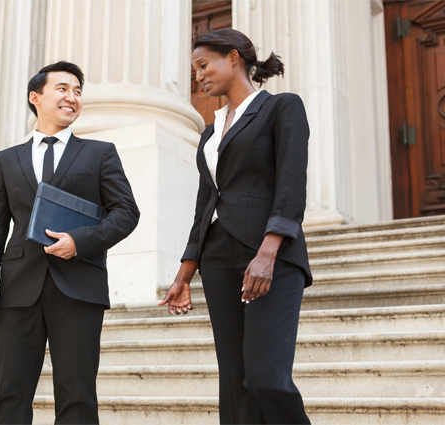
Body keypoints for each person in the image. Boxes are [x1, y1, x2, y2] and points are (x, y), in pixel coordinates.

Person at [0, 61, 139, 424]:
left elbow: (126, 213)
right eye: (63, 88)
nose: (72, 97)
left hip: (79, 286)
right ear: (36, 97)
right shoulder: (6, 160)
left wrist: (80, 241)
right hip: (19, 287)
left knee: (77, 395)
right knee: (8, 394)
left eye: (78, 91)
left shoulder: (100, 153)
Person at [159, 28, 313, 424]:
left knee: (267, 379)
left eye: (203, 64)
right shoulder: (209, 132)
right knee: (235, 383)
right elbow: (205, 201)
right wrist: (185, 271)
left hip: (268, 255)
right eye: (194, 69)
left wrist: (268, 251)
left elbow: (291, 183)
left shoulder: (282, 107)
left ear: (233, 57)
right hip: (217, 257)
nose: (198, 76)